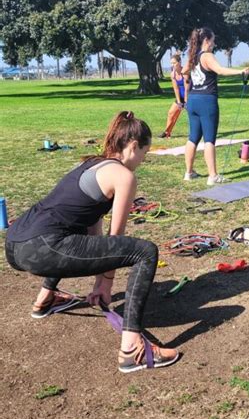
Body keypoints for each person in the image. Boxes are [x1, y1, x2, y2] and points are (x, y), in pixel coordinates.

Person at [5, 111, 179, 374]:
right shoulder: (124, 176)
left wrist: (100, 277)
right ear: (133, 147)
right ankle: (132, 350)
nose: (144, 159)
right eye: (145, 152)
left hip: (16, 242)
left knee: (68, 235)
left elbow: (92, 227)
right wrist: (105, 283)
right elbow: (116, 237)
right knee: (145, 252)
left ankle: (45, 299)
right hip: (40, 247)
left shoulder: (91, 163)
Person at [183, 27, 249, 185]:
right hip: (206, 101)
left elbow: (184, 71)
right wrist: (240, 72)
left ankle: (189, 172)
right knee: (209, 139)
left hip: (193, 99)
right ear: (206, 40)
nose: (214, 43)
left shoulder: (193, 56)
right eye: (213, 40)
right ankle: (212, 176)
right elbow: (219, 70)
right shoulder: (207, 55)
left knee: (193, 137)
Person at [159, 52, 186, 138]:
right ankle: (167, 133)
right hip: (180, 97)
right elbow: (176, 88)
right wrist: (179, 102)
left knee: (193, 115)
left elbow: (187, 88)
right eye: (171, 63)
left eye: (174, 63)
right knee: (171, 113)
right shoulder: (173, 74)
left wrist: (185, 102)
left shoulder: (185, 72)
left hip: (189, 96)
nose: (172, 65)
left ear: (179, 62)